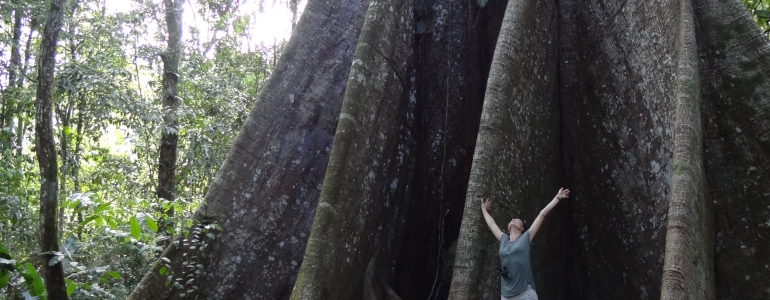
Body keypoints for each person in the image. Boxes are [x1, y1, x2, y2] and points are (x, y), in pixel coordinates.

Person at [480, 188, 570, 300]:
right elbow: (491, 224)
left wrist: (558, 197)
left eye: (517, 220)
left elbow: (542, 214)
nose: (513, 219)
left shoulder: (526, 238)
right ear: (508, 228)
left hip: (525, 294)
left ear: (522, 228)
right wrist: (484, 209)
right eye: (512, 219)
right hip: (506, 296)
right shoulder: (503, 239)